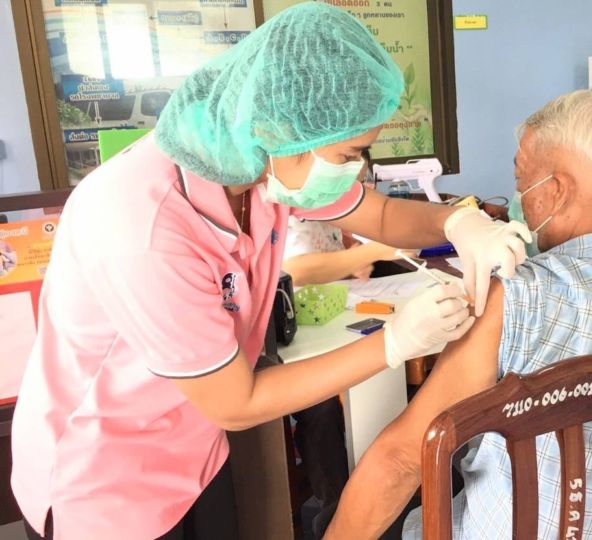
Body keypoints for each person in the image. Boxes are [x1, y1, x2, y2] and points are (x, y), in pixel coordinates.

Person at [10, 4, 531, 539]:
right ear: (282, 127)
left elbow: (379, 213)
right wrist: (394, 343)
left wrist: (460, 221)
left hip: (191, 450)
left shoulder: (263, 171)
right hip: (104, 481)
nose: (357, 168)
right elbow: (239, 401)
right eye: (352, 152)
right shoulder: (142, 224)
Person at [324, 90, 592, 539]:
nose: (517, 199)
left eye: (521, 185)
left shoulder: (518, 297)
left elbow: (401, 460)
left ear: (555, 191)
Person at [283, 150, 415, 286]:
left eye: (361, 182)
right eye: (351, 184)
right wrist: (370, 252)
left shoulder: (332, 206)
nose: (356, 191)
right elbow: (294, 272)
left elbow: (336, 241)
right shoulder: (291, 204)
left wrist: (352, 253)